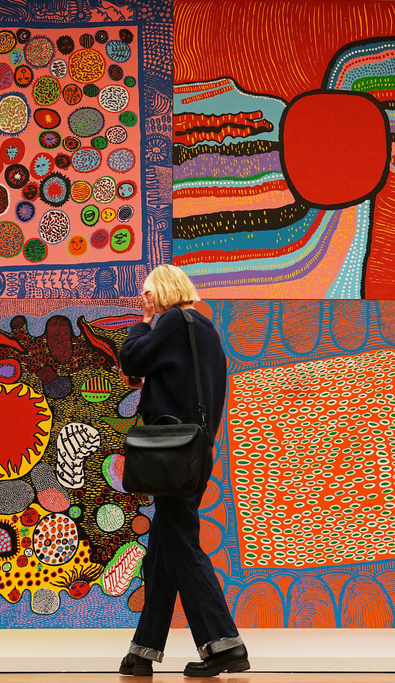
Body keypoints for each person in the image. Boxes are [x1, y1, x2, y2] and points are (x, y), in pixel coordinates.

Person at [117, 264, 249, 678]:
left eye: (147, 292)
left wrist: (144, 324)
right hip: (195, 450)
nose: (144, 299)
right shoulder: (204, 329)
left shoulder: (173, 321)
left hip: (172, 453)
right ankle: (143, 653)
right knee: (164, 549)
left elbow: (131, 357)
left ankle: (226, 645)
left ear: (163, 292)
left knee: (183, 546)